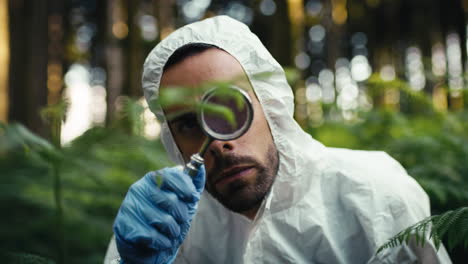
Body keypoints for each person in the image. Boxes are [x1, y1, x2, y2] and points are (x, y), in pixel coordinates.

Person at [104, 16, 452, 263]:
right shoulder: (162, 223)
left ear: (270, 105)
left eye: (228, 108)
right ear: (172, 142)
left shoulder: (378, 195)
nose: (218, 143)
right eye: (188, 125)